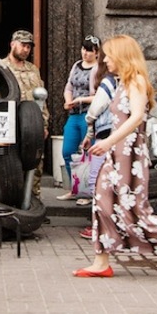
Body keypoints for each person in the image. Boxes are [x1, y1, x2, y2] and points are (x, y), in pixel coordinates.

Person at [73, 35, 157, 282]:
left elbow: (135, 118)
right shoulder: (121, 82)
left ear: (122, 56)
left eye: (109, 56)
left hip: (130, 154)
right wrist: (99, 139)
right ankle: (101, 261)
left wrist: (108, 141)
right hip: (116, 152)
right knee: (102, 202)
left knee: (134, 210)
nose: (105, 60)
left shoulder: (136, 80)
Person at [0, 30, 48, 197]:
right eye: (23, 45)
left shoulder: (32, 69)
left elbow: (41, 98)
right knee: (11, 165)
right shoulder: (1, 67)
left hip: (32, 127)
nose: (26, 50)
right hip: (10, 125)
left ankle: (34, 201)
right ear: (12, 44)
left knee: (35, 163)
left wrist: (44, 124)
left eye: (28, 47)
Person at [76, 52, 118, 238]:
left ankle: (99, 226)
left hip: (105, 136)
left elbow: (95, 109)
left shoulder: (108, 82)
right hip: (120, 137)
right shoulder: (128, 81)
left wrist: (89, 124)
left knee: (97, 180)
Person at [57, 35, 99, 201]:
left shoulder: (98, 69)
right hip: (74, 114)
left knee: (88, 153)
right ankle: (74, 189)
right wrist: (68, 100)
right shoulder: (76, 65)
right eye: (84, 49)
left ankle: (88, 192)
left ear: (97, 53)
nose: (85, 53)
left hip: (89, 114)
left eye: (90, 51)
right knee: (67, 151)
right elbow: (69, 87)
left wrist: (81, 100)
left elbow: (99, 96)